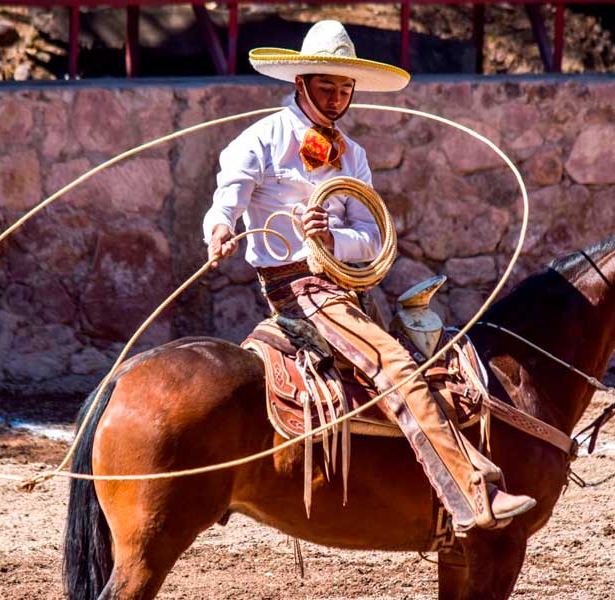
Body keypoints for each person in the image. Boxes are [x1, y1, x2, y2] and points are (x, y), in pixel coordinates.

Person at [203, 20, 535, 533]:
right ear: (301, 83)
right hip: (300, 291)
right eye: (326, 86)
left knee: (435, 354)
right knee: (395, 364)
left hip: (351, 287)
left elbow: (374, 236)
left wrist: (335, 241)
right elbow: (230, 196)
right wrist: (221, 228)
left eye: (344, 89)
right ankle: (472, 494)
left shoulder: (352, 156)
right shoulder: (261, 140)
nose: (336, 98)